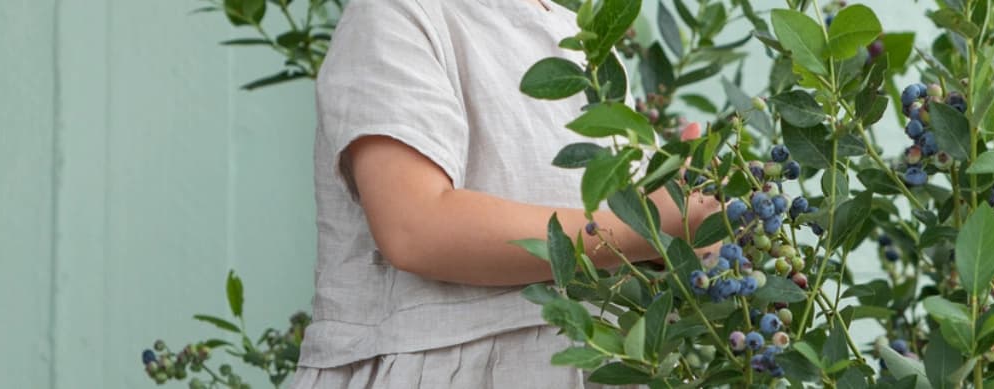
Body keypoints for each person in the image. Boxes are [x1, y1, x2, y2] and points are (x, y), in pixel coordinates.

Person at [290, 0, 720, 387]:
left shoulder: (587, 45)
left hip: (593, 359)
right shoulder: (398, 15)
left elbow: (616, 236)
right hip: (447, 367)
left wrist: (689, 230)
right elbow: (414, 228)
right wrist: (649, 227)